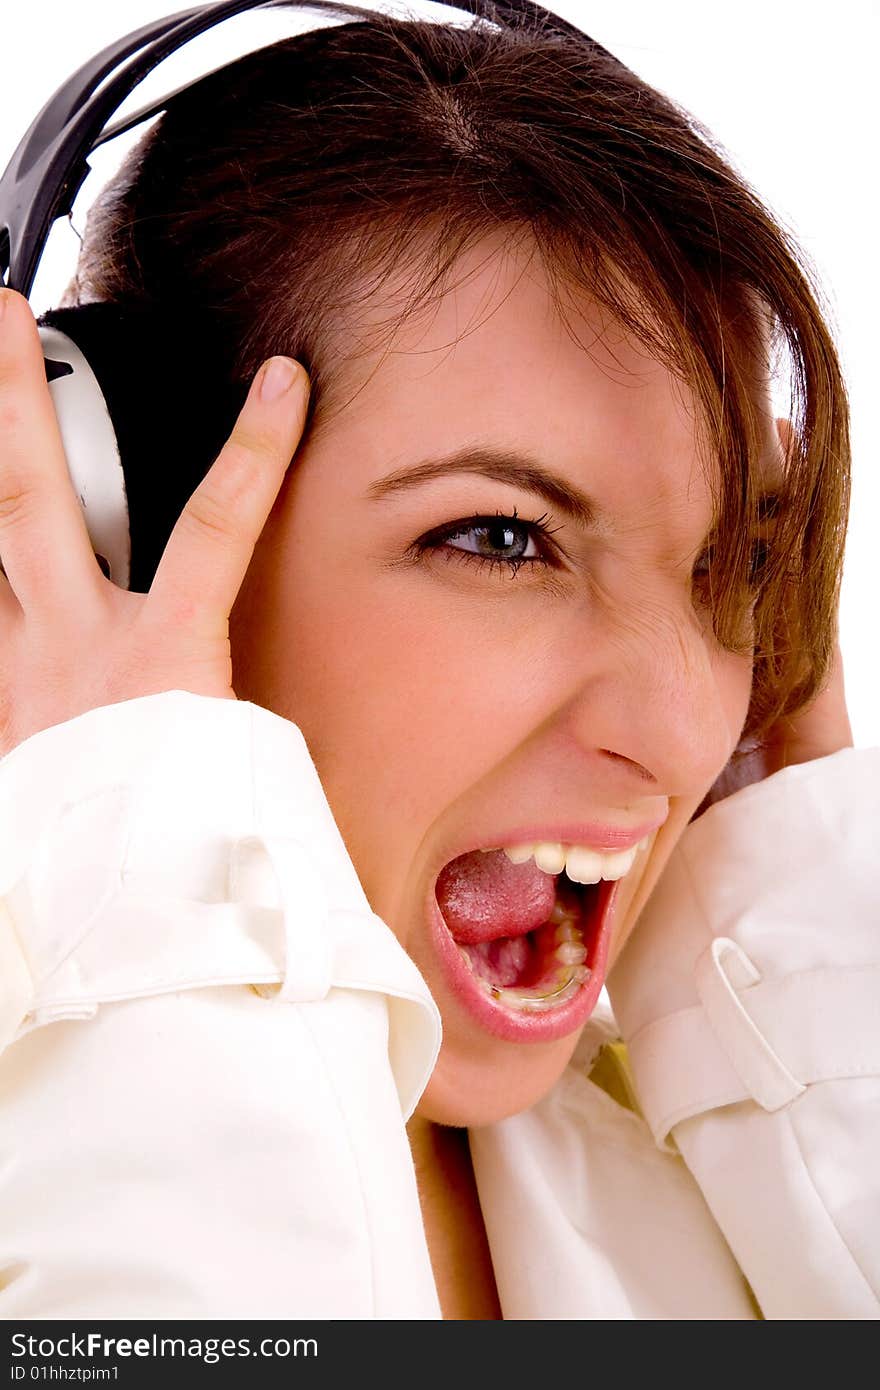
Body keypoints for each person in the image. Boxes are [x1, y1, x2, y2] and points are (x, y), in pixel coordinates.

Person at [0, 6, 877, 1320]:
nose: (684, 721)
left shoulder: (742, 1177)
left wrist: (818, 960)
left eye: (728, 569)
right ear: (119, 526)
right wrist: (145, 899)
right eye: (504, 537)